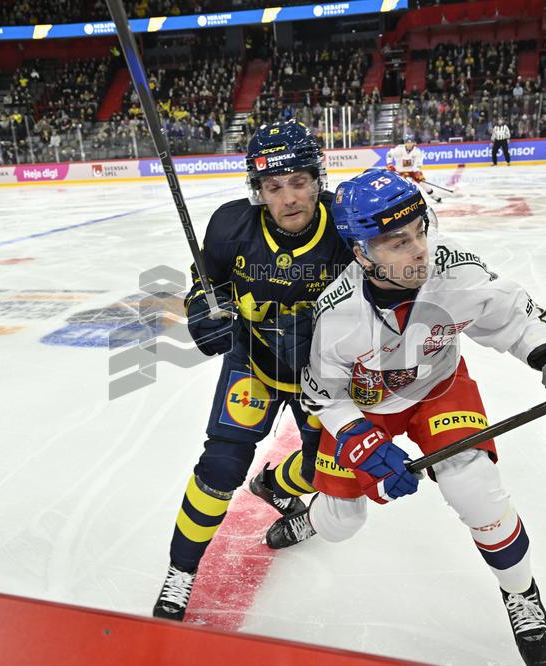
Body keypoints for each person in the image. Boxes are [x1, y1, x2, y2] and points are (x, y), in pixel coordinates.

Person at [266, 170, 546, 666]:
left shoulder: (455, 271)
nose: (420, 249)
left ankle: (521, 593)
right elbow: (322, 395)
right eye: (398, 243)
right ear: (362, 253)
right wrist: (360, 440)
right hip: (366, 408)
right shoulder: (336, 313)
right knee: (342, 524)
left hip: (439, 390)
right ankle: (313, 517)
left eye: (421, 230)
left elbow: (514, 323)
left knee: (475, 488)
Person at [152, 121, 353, 621]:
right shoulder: (229, 226)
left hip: (321, 377)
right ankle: (182, 571)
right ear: (258, 191)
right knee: (220, 467)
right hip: (255, 361)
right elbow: (207, 282)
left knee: (328, 474)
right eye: (273, 186)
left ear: (318, 179)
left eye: (299, 181)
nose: (289, 198)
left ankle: (277, 486)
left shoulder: (347, 226)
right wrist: (201, 308)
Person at [385, 135, 444, 202]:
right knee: (401, 186)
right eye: (407, 142)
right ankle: (399, 200)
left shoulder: (417, 151)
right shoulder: (399, 149)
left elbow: (418, 163)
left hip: (413, 171)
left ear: (414, 143)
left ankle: (434, 196)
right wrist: (389, 164)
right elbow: (389, 154)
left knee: (423, 183)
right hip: (400, 171)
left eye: (411, 142)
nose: (409, 144)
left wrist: (417, 172)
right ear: (405, 143)